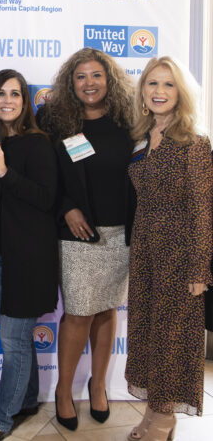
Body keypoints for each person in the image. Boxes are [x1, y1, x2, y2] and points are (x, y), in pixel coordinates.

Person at [36, 47, 134, 430]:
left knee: (107, 310)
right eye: (81, 76)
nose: (89, 83)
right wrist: (66, 208)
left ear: (108, 79)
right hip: (77, 233)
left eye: (96, 75)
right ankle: (64, 390)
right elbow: (45, 176)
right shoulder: (55, 122)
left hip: (121, 233)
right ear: (69, 82)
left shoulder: (129, 121)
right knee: (78, 313)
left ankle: (98, 385)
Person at [125, 57, 212, 441]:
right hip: (145, 249)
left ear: (180, 93)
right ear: (143, 91)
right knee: (147, 333)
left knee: (172, 338)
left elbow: (202, 208)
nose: (159, 92)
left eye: (168, 85)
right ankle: (153, 412)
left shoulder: (194, 143)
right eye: (152, 84)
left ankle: (164, 420)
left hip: (179, 253)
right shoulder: (142, 137)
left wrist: (199, 269)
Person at [0, 70, 58, 441]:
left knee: (14, 342)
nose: (8, 100)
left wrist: (5, 172)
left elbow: (46, 198)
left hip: (27, 260)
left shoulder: (37, 143)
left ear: (25, 102)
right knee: (18, 339)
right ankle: (25, 400)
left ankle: (1, 418)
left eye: (16, 94)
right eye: (1, 93)